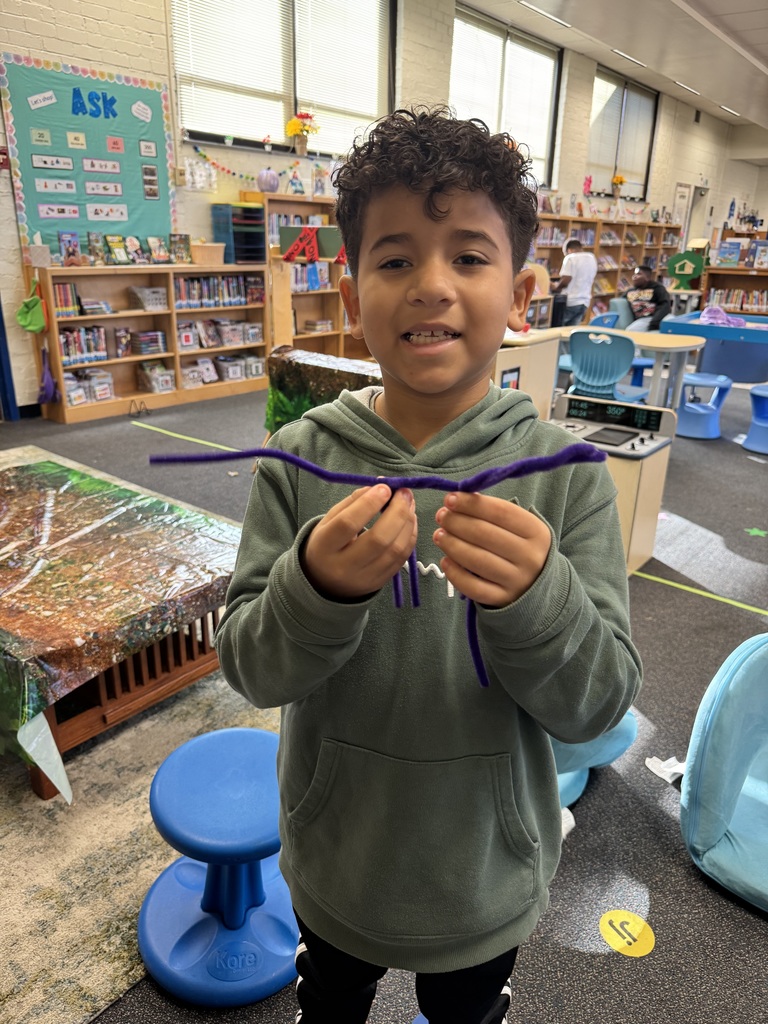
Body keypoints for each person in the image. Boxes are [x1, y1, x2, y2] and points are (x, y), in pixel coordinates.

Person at [214, 106, 642, 1024]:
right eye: (396, 258)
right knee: (329, 1003)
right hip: (339, 856)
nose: (432, 286)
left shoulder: (566, 478)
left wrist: (542, 601)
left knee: (469, 1016)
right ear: (349, 287)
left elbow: (599, 706)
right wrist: (316, 589)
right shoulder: (298, 458)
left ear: (523, 292)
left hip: (486, 870)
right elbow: (250, 668)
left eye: (470, 257)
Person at [551, 238, 598, 327]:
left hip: (570, 301)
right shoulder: (592, 257)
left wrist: (555, 287)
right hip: (585, 301)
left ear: (569, 250)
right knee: (570, 332)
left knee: (558, 331)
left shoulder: (570, 258)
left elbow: (566, 280)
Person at [623, 264, 671, 331]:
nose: (634, 277)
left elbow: (665, 305)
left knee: (672, 324)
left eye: (639, 274)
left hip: (660, 317)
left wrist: (655, 322)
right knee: (630, 330)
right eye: (634, 274)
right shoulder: (630, 291)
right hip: (643, 319)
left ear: (647, 277)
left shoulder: (657, 288)